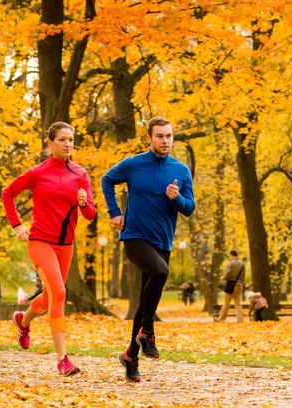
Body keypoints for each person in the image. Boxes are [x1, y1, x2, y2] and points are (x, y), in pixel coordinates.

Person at [101, 116, 195, 382]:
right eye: (160, 136)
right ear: (149, 138)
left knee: (145, 301)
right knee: (161, 272)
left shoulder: (181, 170)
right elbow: (107, 180)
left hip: (162, 241)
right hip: (134, 237)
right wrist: (115, 212)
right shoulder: (133, 164)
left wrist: (177, 199)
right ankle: (147, 332)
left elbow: (189, 208)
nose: (165, 141)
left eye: (169, 136)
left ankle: (130, 356)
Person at [2, 121, 95, 376]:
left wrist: (84, 203)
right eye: (63, 139)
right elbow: (8, 194)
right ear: (50, 143)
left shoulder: (80, 174)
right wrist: (17, 225)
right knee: (60, 292)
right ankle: (63, 359)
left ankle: (24, 320)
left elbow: (90, 215)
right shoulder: (37, 172)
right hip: (40, 241)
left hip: (66, 246)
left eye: (71, 140)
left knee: (51, 296)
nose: (68, 144)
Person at [215, 250, 245, 323]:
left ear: (232, 255)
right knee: (237, 303)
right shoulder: (242, 264)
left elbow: (227, 273)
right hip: (240, 285)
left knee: (226, 303)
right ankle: (240, 320)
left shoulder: (231, 263)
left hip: (231, 285)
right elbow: (243, 276)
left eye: (230, 256)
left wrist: (223, 278)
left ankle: (221, 319)